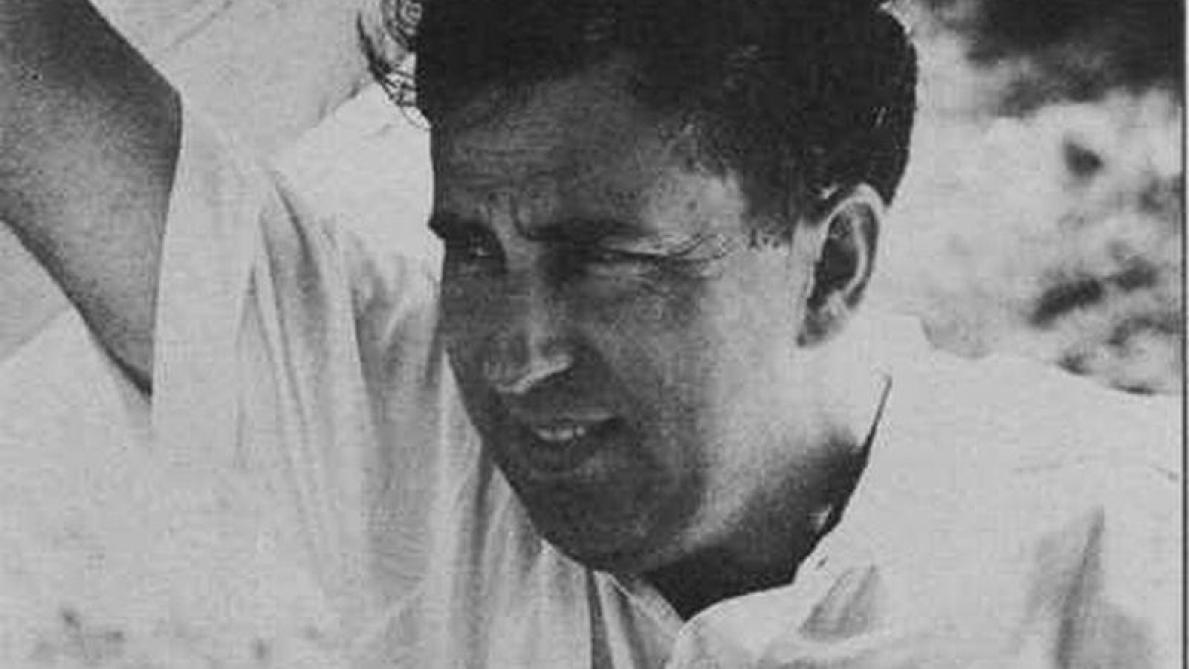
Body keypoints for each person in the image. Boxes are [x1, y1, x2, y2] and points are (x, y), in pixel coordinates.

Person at [0, 0, 1180, 667]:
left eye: (604, 258)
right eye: (474, 249)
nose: (517, 357)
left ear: (830, 264)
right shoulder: (423, 439)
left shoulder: (1129, 557)